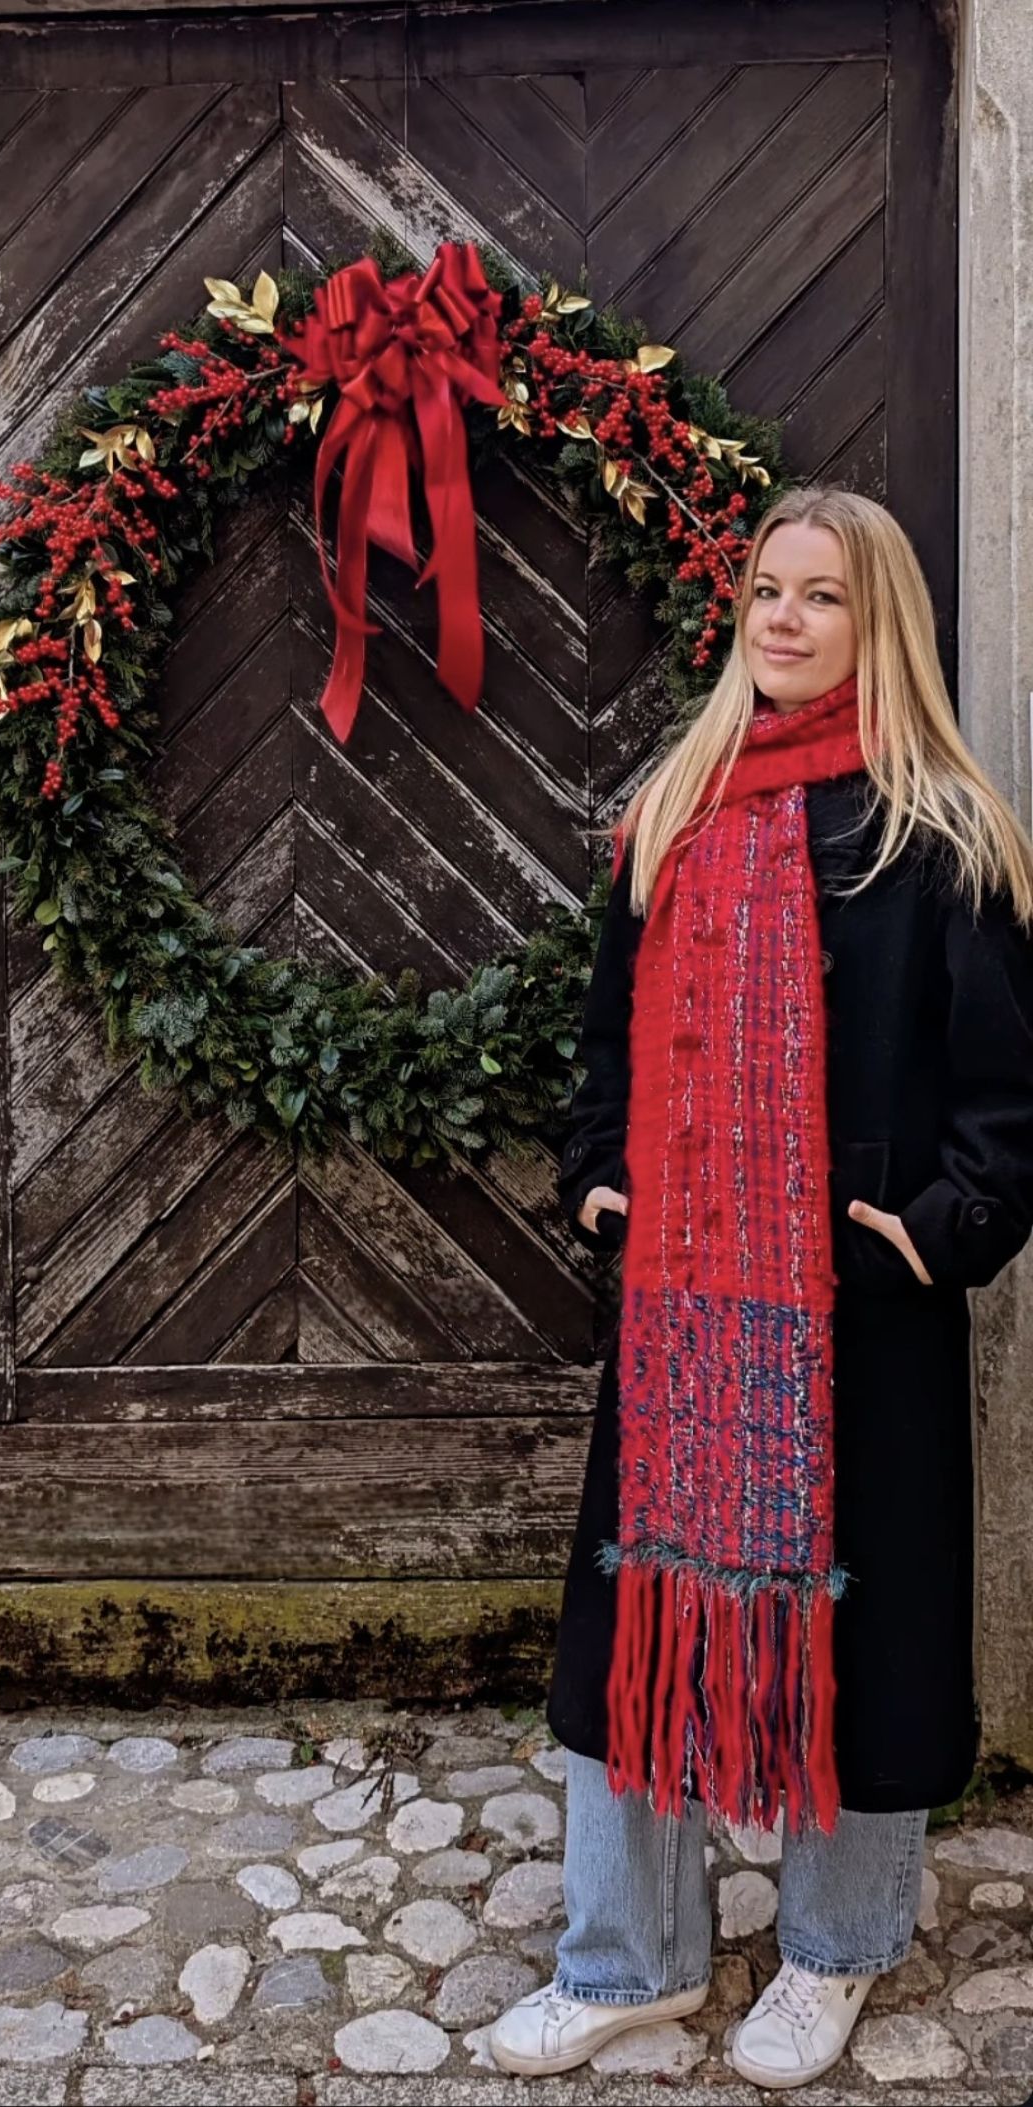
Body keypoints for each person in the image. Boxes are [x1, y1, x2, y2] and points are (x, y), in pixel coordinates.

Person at [490, 485, 1033, 2089]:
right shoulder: (677, 807)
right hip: (685, 1309)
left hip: (860, 1316)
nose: (786, 621)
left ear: (883, 625)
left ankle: (839, 1950)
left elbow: (1009, 1095)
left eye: (824, 596)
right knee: (634, 1625)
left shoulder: (942, 834)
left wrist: (931, 1230)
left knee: (868, 1635)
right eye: (767, 593)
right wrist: (601, 1172)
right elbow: (605, 1042)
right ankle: (630, 1962)